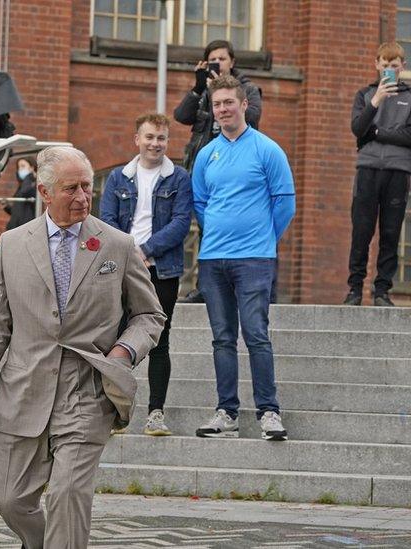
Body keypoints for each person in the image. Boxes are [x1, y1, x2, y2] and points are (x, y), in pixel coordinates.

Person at [0, 146, 165, 549]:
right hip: (24, 389)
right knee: (9, 499)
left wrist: (123, 353)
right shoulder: (11, 245)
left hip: (87, 389)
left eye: (87, 187)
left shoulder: (117, 245)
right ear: (44, 192)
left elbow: (149, 316)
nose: (83, 198)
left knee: (68, 495)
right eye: (71, 189)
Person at [191, 75, 295, 442]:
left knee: (255, 334)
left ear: (243, 104)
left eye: (228, 103)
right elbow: (200, 203)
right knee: (222, 338)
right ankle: (227, 413)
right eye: (217, 104)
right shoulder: (206, 154)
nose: (223, 109)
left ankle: (269, 411)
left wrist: (263, 238)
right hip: (213, 259)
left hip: (254, 259)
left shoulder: (267, 150)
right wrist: (220, 234)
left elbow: (285, 201)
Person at [99, 113, 193, 437]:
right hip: (122, 268)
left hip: (162, 269)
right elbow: (107, 218)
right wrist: (128, 251)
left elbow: (181, 223)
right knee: (117, 335)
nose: (156, 144)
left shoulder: (179, 178)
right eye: (150, 137)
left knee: (159, 341)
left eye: (162, 138)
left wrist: (146, 250)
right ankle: (114, 410)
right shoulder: (117, 178)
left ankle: (156, 412)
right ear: (136, 139)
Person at [174, 39, 263, 304]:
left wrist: (223, 98)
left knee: (235, 227)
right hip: (206, 167)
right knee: (205, 227)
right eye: (213, 59)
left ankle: (235, 287)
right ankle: (206, 287)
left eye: (222, 59)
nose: (218, 64)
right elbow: (181, 115)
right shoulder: (204, 91)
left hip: (235, 169)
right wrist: (200, 87)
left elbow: (255, 116)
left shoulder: (247, 88)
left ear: (232, 62)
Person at [344, 41, 411, 307]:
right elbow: (358, 128)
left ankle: (382, 290)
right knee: (361, 231)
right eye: (385, 66)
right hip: (368, 169)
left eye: (394, 66)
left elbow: (409, 136)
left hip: (398, 170)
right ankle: (355, 289)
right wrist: (377, 100)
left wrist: (378, 133)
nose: (389, 70)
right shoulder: (365, 95)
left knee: (391, 232)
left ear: (402, 67)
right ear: (376, 65)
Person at [5, 157, 38, 230]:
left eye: (23, 166)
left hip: (26, 228)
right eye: (19, 167)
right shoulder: (22, 186)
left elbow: (25, 192)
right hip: (15, 227)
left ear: (31, 168)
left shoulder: (34, 185)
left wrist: (30, 176)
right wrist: (6, 206)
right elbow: (18, 211)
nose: (20, 169)